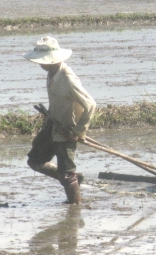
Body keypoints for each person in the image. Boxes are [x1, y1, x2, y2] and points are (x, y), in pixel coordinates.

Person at [23, 36, 96, 204]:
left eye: (42, 61)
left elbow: (90, 105)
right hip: (52, 125)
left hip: (66, 131)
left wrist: (78, 131)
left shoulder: (68, 79)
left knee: (67, 173)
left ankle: (75, 205)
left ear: (53, 60)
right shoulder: (52, 73)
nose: (40, 64)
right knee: (35, 160)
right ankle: (74, 179)